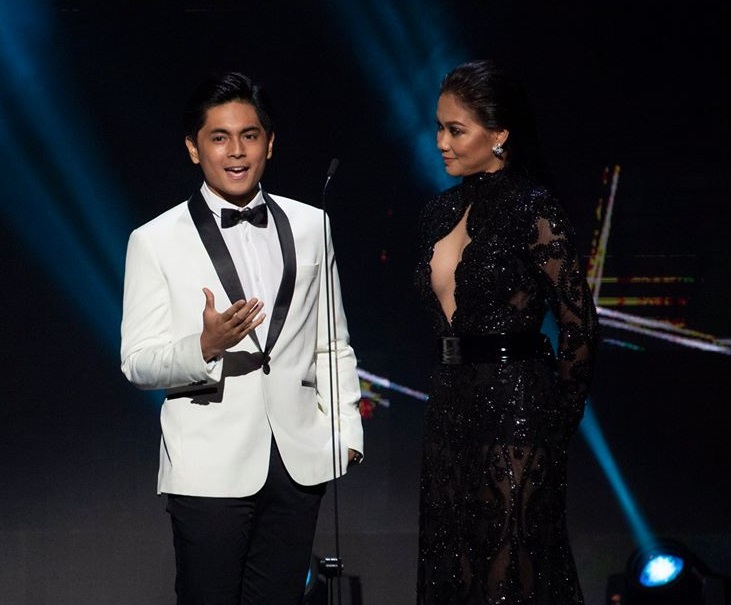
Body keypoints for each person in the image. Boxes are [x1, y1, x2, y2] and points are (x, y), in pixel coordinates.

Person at [120, 71, 364, 605]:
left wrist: (345, 432)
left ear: (269, 143)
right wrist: (203, 347)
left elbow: (332, 341)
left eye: (249, 136)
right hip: (208, 466)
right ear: (193, 148)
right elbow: (137, 363)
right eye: (219, 137)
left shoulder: (311, 226)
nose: (236, 152)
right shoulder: (155, 241)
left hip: (298, 462)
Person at [414, 59, 599, 604]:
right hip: (449, 405)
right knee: (452, 560)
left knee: (508, 564)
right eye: (439, 128)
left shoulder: (533, 207)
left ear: (499, 135)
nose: (442, 142)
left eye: (456, 129)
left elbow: (579, 324)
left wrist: (557, 419)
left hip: (516, 405)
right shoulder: (437, 212)